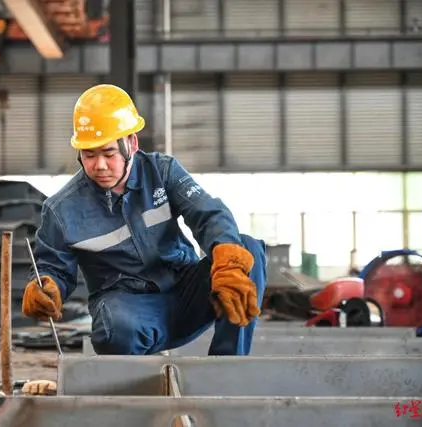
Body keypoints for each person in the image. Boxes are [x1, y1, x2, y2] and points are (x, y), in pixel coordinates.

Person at [21, 84, 267, 356]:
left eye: (108, 153)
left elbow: (208, 213)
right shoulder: (61, 210)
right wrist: (46, 286)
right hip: (130, 311)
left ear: (132, 144)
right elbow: (52, 268)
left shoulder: (163, 171)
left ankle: (227, 366)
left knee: (245, 250)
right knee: (115, 327)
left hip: (188, 293)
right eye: (89, 155)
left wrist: (227, 260)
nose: (99, 165)